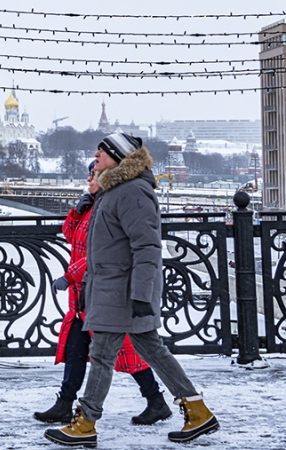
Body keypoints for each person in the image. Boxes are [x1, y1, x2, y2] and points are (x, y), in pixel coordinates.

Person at [45, 133, 219, 448]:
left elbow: (147, 247)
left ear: (116, 156)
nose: (95, 154)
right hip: (113, 290)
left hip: (124, 293)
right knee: (151, 350)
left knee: (101, 355)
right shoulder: (114, 190)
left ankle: (85, 424)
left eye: (101, 150)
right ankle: (197, 410)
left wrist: (141, 295)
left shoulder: (132, 191)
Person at [34, 161, 170, 426]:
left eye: (92, 174)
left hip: (102, 290)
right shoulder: (93, 205)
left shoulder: (110, 205)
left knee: (125, 352)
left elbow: (102, 254)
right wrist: (77, 211)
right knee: (76, 347)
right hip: (84, 294)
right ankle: (65, 402)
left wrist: (68, 275)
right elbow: (72, 236)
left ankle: (156, 400)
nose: (88, 179)